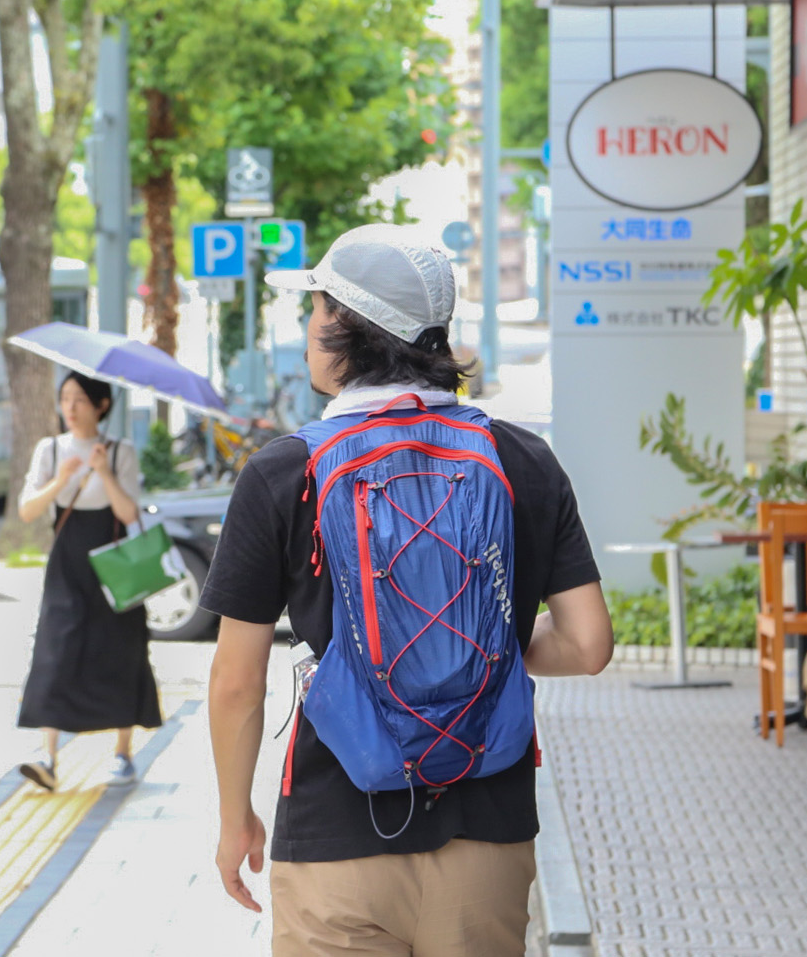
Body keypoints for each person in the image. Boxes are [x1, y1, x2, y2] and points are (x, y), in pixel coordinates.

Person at [202, 224, 614, 956]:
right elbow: (587, 645)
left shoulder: (283, 471)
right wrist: (481, 637)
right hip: (486, 830)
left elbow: (237, 681)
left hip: (334, 836)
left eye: (314, 309)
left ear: (339, 326)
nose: (308, 328)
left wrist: (236, 817)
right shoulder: (521, 459)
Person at [15, 371, 161, 790]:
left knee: (121, 650)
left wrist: (104, 471)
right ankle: (48, 757)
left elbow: (129, 514)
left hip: (114, 565)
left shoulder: (119, 452)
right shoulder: (51, 450)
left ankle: (123, 753)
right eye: (65, 399)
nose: (70, 408)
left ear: (102, 405)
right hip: (67, 565)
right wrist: (63, 479)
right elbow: (28, 510)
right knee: (55, 650)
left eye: (79, 399)